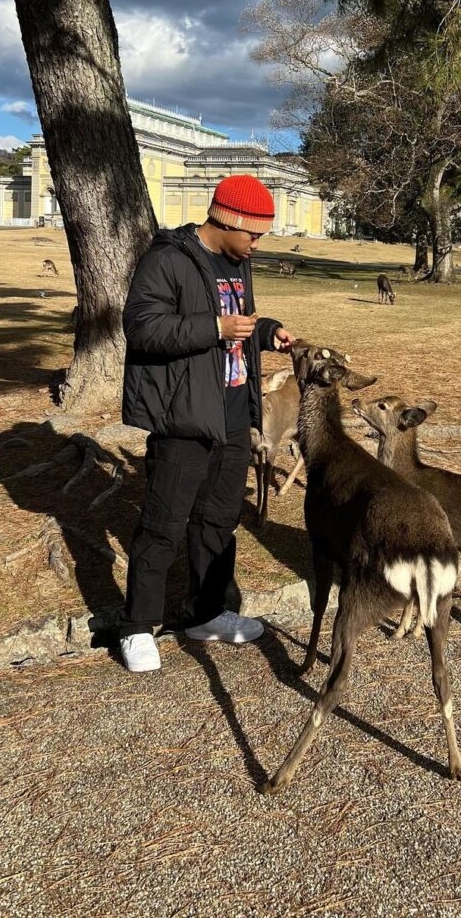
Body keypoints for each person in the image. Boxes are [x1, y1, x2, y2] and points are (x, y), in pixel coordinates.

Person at [119, 174, 294, 673]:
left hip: (235, 415)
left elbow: (237, 323)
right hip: (184, 419)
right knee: (163, 526)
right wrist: (214, 328)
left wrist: (265, 331)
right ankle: (138, 626)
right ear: (228, 220)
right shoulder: (167, 259)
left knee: (219, 521)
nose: (257, 245)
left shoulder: (239, 264)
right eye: (253, 234)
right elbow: (142, 327)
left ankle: (208, 612)